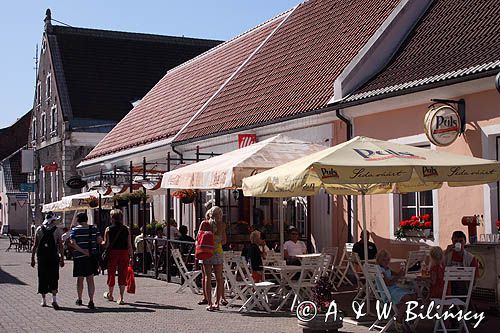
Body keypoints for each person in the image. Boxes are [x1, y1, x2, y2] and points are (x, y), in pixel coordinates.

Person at [30, 211, 64, 309]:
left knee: (42, 277)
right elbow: (61, 246)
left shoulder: (39, 229)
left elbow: (35, 245)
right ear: (52, 220)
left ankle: (44, 300)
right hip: (53, 257)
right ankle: (54, 299)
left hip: (42, 257)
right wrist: (62, 258)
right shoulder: (57, 230)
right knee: (54, 277)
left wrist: (32, 258)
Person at [376, 249, 416, 331]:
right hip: (388, 292)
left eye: (388, 260)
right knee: (408, 298)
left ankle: (401, 314)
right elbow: (389, 283)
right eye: (384, 260)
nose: (386, 261)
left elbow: (396, 274)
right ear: (379, 259)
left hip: (394, 290)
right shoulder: (380, 270)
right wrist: (398, 276)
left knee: (414, 295)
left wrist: (401, 273)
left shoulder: (386, 268)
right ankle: (399, 318)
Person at [69, 212, 102, 309]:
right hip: (91, 257)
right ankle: (91, 301)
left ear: (78, 220)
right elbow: (100, 240)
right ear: (87, 219)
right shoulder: (94, 229)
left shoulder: (75, 230)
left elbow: (72, 243)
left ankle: (79, 299)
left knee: (80, 279)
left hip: (79, 257)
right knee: (90, 279)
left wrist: (82, 251)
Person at [102, 209, 133, 305]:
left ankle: (110, 294)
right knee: (122, 274)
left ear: (112, 218)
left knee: (111, 274)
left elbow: (106, 245)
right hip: (124, 253)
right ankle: (121, 297)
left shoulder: (108, 229)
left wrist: (100, 242)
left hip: (113, 253)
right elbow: (129, 244)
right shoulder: (126, 229)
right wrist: (131, 256)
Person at [200, 206, 226, 311]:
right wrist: (217, 241)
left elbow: (199, 238)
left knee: (207, 278)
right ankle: (217, 303)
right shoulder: (222, 225)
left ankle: (209, 303)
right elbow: (224, 241)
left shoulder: (205, 223)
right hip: (218, 252)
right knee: (219, 278)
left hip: (206, 251)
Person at [444, 230, 479, 295]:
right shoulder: (447, 254)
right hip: (447, 285)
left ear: (465, 242)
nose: (458, 243)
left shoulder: (470, 258)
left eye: (460, 241)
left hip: (463, 287)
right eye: (456, 241)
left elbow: (475, 278)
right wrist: (445, 253)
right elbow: (439, 266)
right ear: (452, 242)